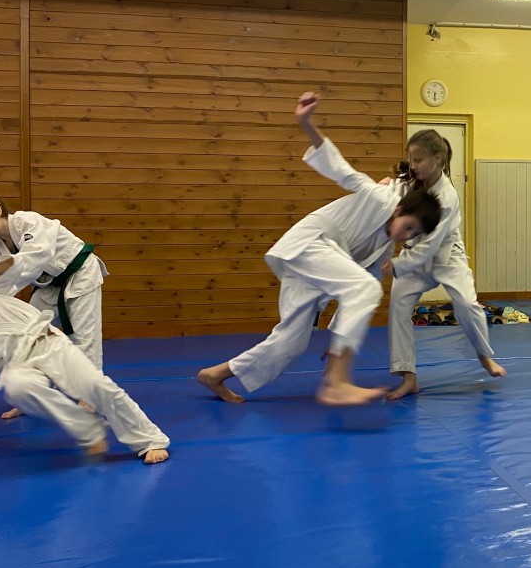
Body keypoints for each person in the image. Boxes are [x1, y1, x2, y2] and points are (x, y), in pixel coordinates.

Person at [198, 92, 442, 406]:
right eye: (407, 225)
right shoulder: (380, 197)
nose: (403, 236)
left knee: (291, 343)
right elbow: (340, 169)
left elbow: (359, 285)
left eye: (412, 234)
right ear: (399, 209)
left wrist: (341, 336)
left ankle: (215, 375)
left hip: (312, 263)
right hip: (309, 245)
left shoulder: (384, 247)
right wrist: (306, 123)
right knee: (365, 287)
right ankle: (337, 382)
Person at [0, 257, 169, 463]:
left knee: (94, 385)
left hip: (45, 340)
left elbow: (11, 264)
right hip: (13, 360)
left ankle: (150, 440)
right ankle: (89, 431)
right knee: (19, 388)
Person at [383, 128, 505, 400]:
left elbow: (431, 245)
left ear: (437, 158)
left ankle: (484, 356)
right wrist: (385, 186)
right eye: (411, 159)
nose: (413, 165)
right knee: (398, 306)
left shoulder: (447, 196)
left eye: (418, 160)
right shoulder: (412, 182)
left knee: (467, 305)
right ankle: (408, 376)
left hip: (447, 257)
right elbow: (394, 196)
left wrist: (399, 265)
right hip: (415, 256)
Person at [0, 196, 108, 420]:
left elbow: (35, 259)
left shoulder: (28, 221)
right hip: (48, 284)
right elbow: (4, 286)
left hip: (81, 274)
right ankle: (30, 396)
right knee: (29, 338)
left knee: (85, 337)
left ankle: (89, 397)